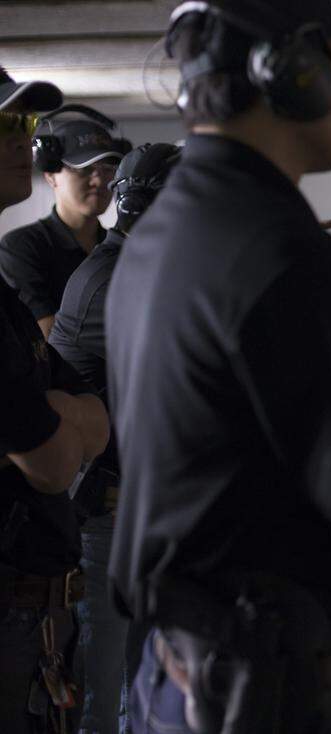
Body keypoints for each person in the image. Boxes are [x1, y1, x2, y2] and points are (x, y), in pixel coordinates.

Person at [104, 2, 331, 733]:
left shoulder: (154, 239)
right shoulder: (291, 260)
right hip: (284, 685)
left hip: (179, 668)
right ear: (289, 71)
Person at [49, 142, 183, 734]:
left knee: (137, 690)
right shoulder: (116, 281)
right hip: (106, 515)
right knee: (106, 700)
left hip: (132, 511)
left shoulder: (137, 268)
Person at [0, 65, 111, 734]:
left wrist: (64, 416)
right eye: (4, 127)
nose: (21, 140)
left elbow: (87, 409)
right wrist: (65, 418)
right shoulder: (23, 255)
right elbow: (52, 462)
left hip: (29, 612)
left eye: (23, 125)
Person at [0, 104, 126, 337]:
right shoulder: (22, 247)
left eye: (107, 169)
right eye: (84, 169)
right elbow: (47, 336)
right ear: (50, 175)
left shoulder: (120, 249)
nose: (98, 181)